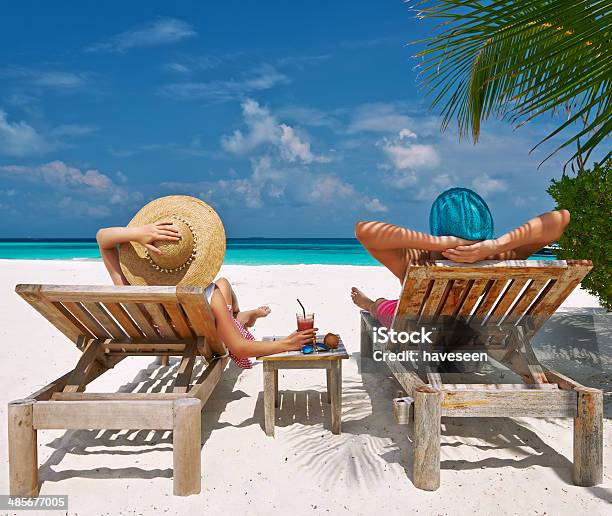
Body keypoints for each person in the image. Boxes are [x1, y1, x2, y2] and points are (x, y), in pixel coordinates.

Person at [96, 195, 316, 368]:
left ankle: (243, 316)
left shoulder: (133, 291)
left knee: (224, 289)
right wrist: (286, 344)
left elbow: (103, 238)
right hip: (204, 331)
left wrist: (137, 233)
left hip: (165, 332)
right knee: (223, 290)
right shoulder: (208, 295)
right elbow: (239, 347)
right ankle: (243, 317)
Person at [351, 187, 571, 328]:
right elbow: (560, 219)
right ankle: (373, 302)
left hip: (419, 334)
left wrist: (437, 243)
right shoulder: (499, 255)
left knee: (383, 307)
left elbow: (365, 231)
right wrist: (497, 244)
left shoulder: (418, 260)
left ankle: (371, 303)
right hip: (473, 333)